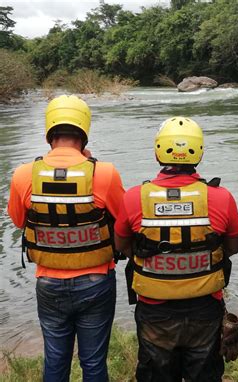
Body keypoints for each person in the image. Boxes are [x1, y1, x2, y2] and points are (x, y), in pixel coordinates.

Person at [114, 116, 238, 382]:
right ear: (200, 152)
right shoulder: (221, 197)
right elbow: (232, 247)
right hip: (206, 308)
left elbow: (123, 247)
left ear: (158, 151)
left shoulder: (134, 197)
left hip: (154, 310)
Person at [8, 95, 125, 382]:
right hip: (96, 281)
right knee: (94, 363)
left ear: (49, 132)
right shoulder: (104, 173)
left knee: (56, 360)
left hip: (48, 283)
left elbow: (19, 221)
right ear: (84, 131)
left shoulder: (24, 175)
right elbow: (123, 223)